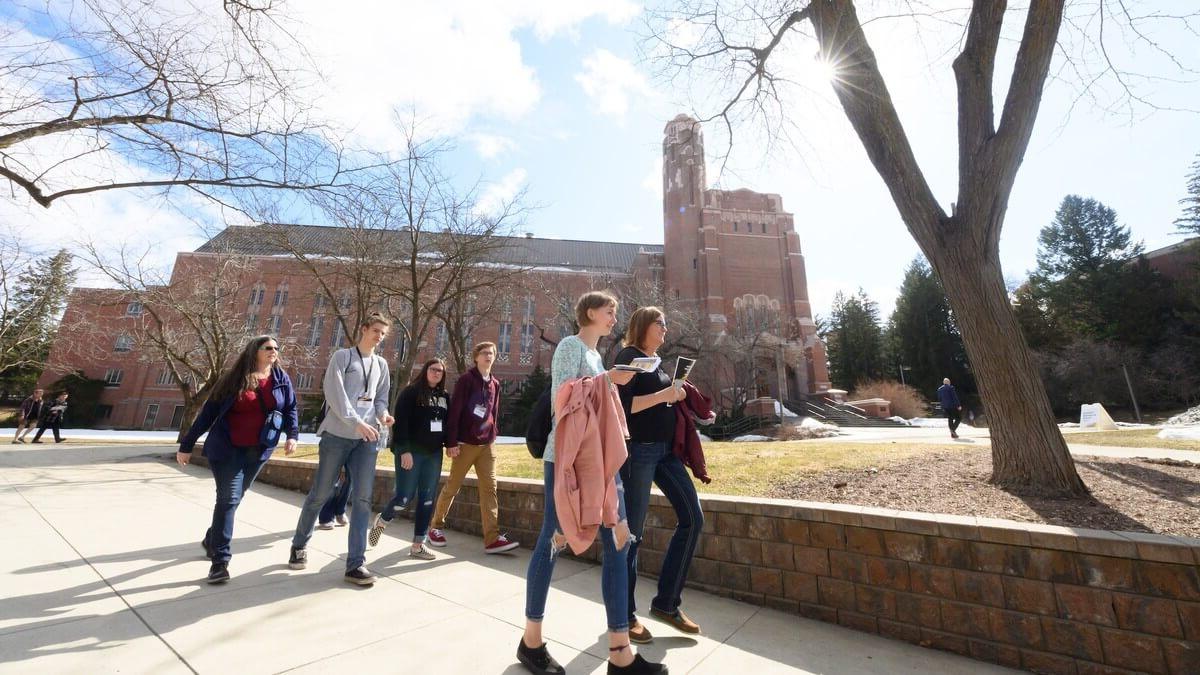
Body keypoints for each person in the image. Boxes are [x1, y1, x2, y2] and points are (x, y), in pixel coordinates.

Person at [518, 291, 666, 675]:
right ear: (588, 312)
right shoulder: (570, 346)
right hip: (567, 462)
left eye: (616, 311)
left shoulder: (599, 356)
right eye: (608, 310)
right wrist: (607, 380)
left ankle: (620, 651)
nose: (615, 316)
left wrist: (609, 381)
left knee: (619, 539)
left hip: (601, 461)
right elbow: (563, 400)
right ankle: (531, 641)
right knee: (553, 539)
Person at [176, 335, 299, 584]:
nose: (274, 351)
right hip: (227, 449)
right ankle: (220, 561)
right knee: (229, 499)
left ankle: (212, 538)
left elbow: (291, 408)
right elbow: (207, 414)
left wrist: (292, 435)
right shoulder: (232, 380)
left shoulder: (280, 379)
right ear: (255, 351)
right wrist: (187, 444)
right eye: (268, 348)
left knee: (233, 499)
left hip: (259, 450)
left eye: (276, 348)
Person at [615, 307, 703, 643]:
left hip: (666, 453)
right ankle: (624, 615)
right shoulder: (629, 356)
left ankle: (666, 603)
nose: (666, 328)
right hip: (639, 452)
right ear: (643, 326)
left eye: (666, 323)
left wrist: (677, 392)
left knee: (693, 519)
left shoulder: (657, 360)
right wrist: (665, 395)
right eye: (660, 323)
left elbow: (661, 399)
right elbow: (625, 406)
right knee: (632, 535)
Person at [288, 313, 394, 586]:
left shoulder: (381, 364)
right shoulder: (343, 358)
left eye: (383, 333)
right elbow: (335, 395)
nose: (379, 336)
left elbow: (381, 399)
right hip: (337, 435)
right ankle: (299, 544)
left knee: (362, 499)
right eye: (376, 331)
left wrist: (383, 415)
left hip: (366, 440)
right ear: (364, 329)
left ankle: (355, 564)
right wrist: (357, 422)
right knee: (321, 493)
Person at [427, 342, 519, 554]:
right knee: (453, 486)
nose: (489, 356)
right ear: (476, 357)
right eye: (484, 353)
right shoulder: (466, 381)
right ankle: (435, 527)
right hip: (465, 443)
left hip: (487, 445)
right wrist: (451, 442)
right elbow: (455, 411)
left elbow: (493, 413)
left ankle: (492, 538)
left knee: (489, 489)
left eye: (492, 353)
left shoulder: (495, 383)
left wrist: (493, 435)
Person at [368, 358, 450, 560]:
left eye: (440, 371)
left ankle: (417, 545)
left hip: (433, 455)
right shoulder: (411, 392)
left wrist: (451, 444)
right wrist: (404, 450)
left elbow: (446, 424)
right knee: (404, 497)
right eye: (433, 369)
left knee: (427, 499)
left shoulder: (445, 396)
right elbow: (401, 422)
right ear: (425, 370)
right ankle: (383, 519)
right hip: (412, 453)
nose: (437, 373)